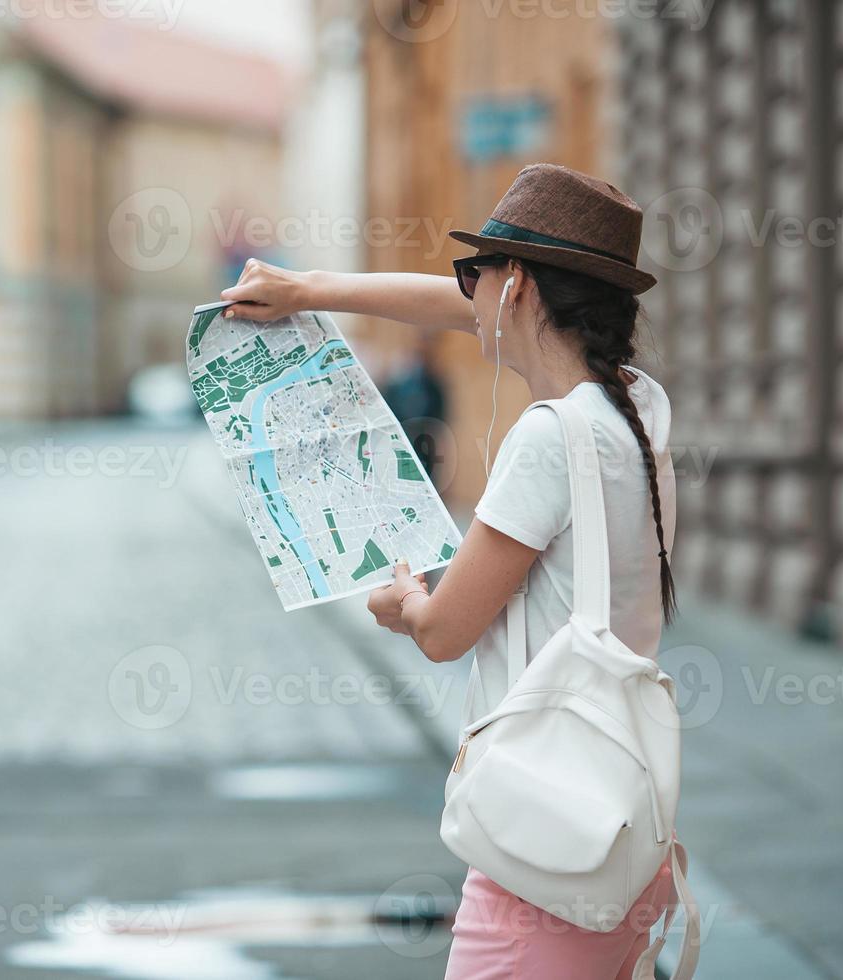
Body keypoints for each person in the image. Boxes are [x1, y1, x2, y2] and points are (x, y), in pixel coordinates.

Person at [221, 164, 680, 980]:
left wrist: (401, 600)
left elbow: (442, 632)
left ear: (519, 292)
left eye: (478, 273)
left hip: (541, 860)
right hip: (618, 833)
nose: (463, 293)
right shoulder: (634, 412)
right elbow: (444, 306)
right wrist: (305, 290)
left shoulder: (547, 439)